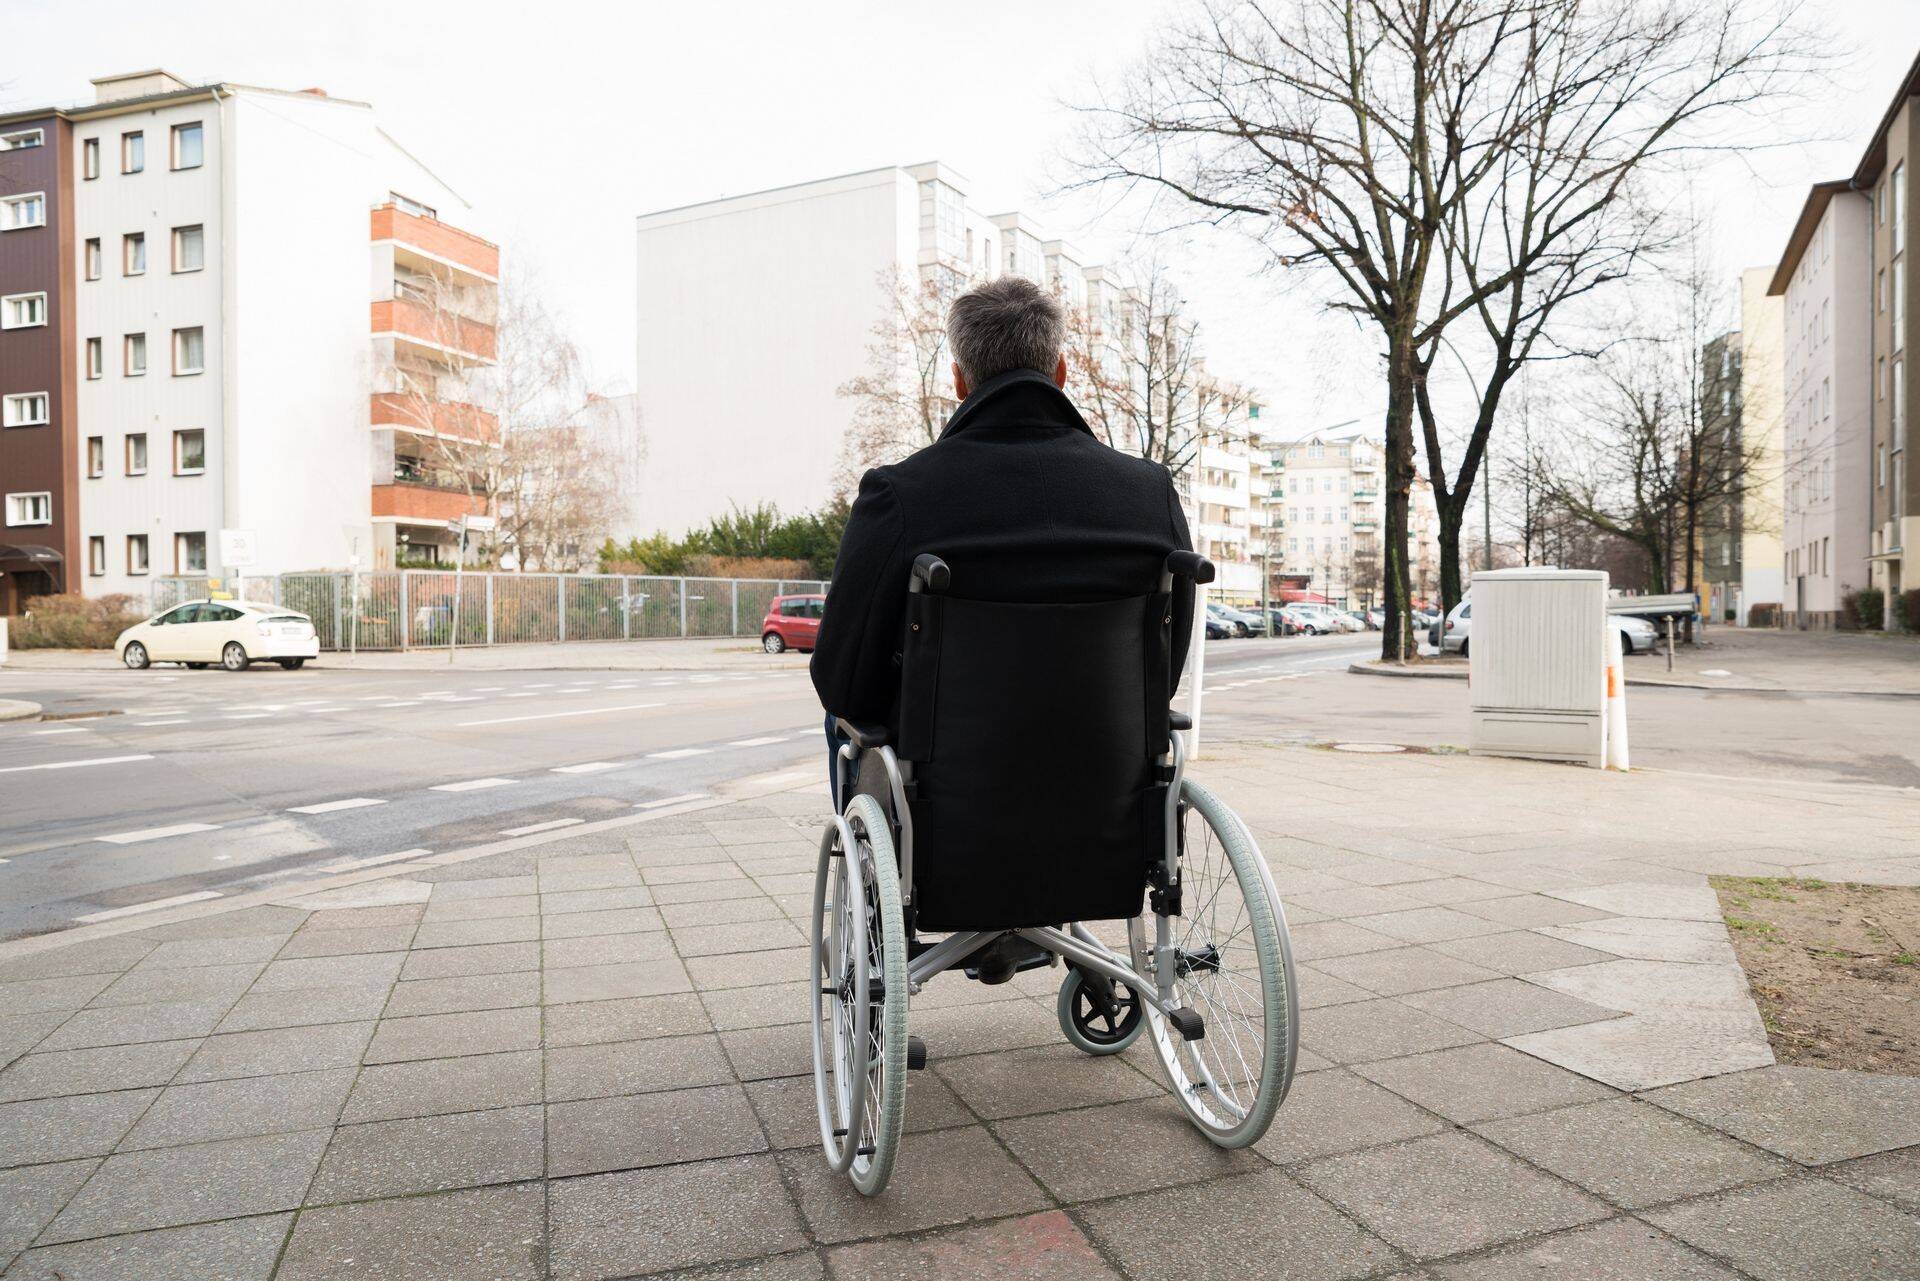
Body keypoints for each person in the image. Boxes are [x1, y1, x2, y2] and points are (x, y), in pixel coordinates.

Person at [812, 275, 1196, 803]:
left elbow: (843, 680)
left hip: (949, 811)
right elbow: (1163, 670)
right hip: (1109, 803)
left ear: (959, 382)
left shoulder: (898, 495)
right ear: (1060, 373)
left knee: (842, 718)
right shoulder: (1148, 493)